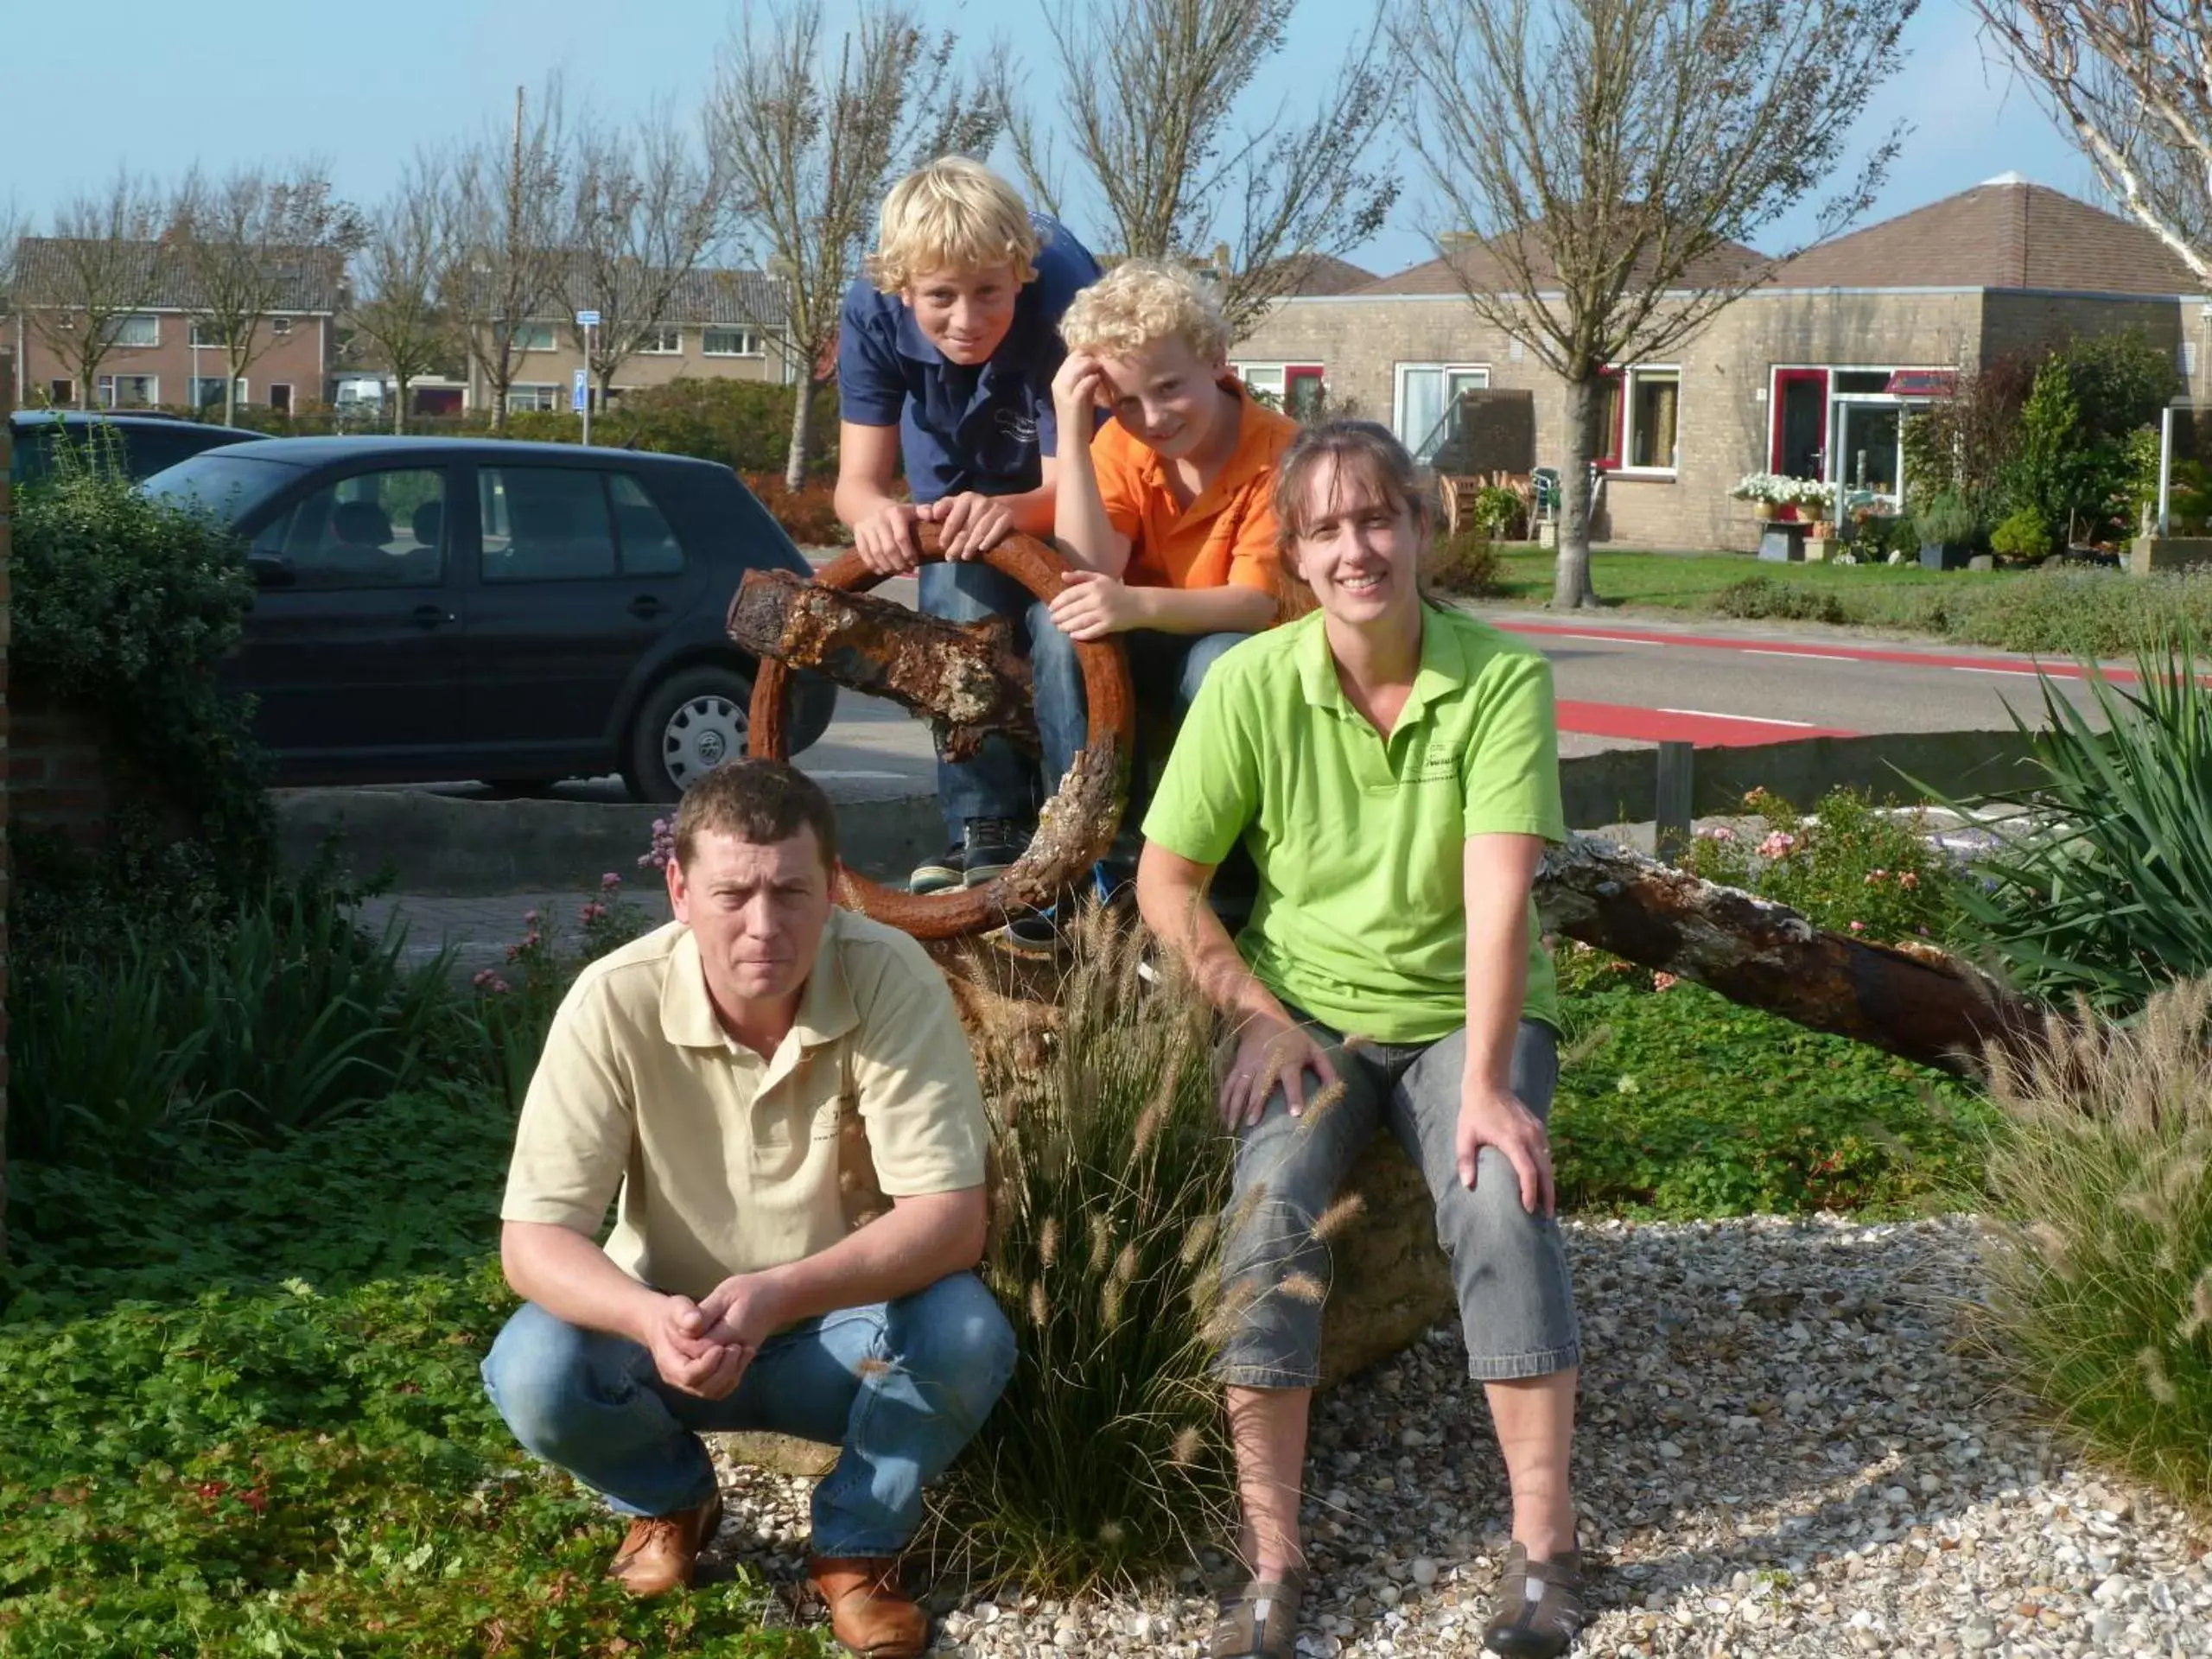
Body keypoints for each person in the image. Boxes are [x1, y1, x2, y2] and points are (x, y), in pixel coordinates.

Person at [1136, 422, 1586, 1659]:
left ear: (1425, 529)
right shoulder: (1251, 683)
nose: (1357, 548)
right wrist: (1253, 1012)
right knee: (1266, 1214)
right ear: (1293, 552)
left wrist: (1489, 1086)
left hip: (1463, 1009)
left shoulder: (1501, 680)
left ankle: (1545, 1550)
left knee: (1497, 1195)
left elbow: (1498, 901)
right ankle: (1273, 1566)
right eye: (1327, 528)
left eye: (1379, 518)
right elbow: (1167, 881)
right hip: (1310, 1013)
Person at [481, 759, 1014, 1659]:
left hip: (849, 1343)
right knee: (532, 1365)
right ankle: (667, 1500)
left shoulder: (893, 979)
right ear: (679, 890)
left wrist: (775, 1294)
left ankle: (857, 1548)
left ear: (834, 889)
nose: (763, 927)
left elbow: (951, 1220)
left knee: (966, 1334)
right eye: (733, 895)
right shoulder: (614, 999)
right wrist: (648, 1318)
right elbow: (532, 1241)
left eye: (791, 893)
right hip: (664, 1340)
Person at [834, 155, 1102, 896]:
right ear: (900, 289)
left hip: (1071, 489)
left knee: (1063, 634)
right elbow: (855, 485)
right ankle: (983, 823)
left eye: (989, 293)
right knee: (956, 595)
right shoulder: (871, 311)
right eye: (940, 298)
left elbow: (1079, 485)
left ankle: (1074, 823)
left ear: (1021, 272)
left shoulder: (1065, 297)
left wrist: (1008, 511)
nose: (967, 319)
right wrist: (877, 519)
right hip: (953, 478)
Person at [1044, 257, 1298, 894]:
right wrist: (1075, 437)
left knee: (1217, 663)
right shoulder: (1122, 446)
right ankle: (1081, 849)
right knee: (1057, 627)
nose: (1153, 418)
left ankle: (1217, 873)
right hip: (1153, 628)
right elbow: (1088, 569)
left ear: (1216, 359)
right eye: (1125, 400)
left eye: (1168, 388)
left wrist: (1131, 606)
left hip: (1246, 642)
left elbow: (1258, 605)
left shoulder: (1282, 454)